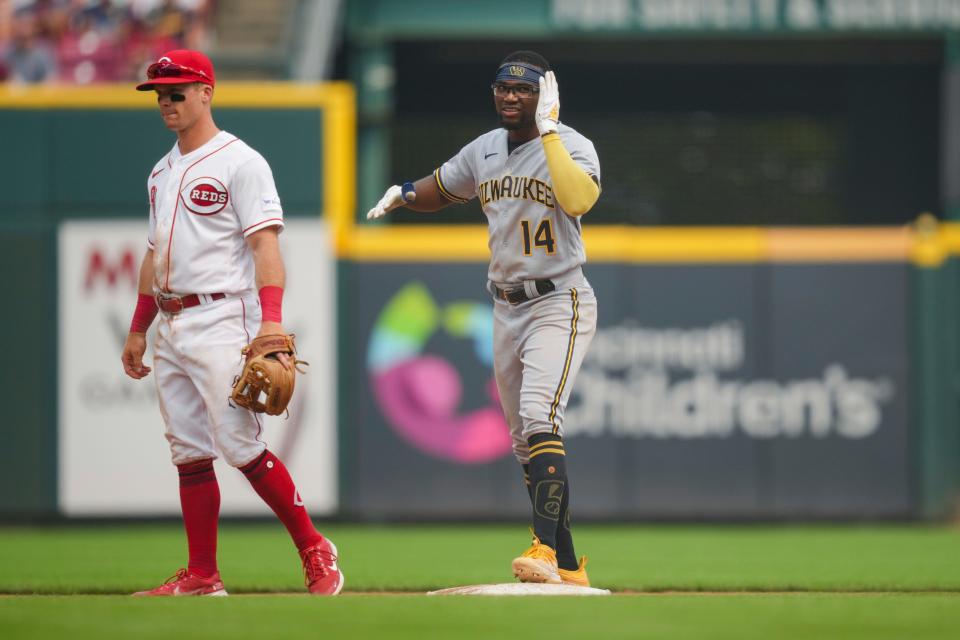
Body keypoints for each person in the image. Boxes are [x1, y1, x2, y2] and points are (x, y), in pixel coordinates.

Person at [367, 50, 600, 587]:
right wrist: (404, 193)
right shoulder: (485, 149)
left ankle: (543, 549)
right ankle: (568, 566)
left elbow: (580, 197)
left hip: (557, 298)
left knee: (542, 415)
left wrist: (550, 134)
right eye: (502, 87)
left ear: (545, 95)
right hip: (504, 304)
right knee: (523, 440)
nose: (510, 96)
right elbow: (443, 187)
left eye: (523, 88)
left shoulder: (574, 146)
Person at [120, 49, 343, 597]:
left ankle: (315, 548)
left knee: (240, 445)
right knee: (188, 451)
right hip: (170, 320)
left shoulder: (241, 162)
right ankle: (202, 574)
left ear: (206, 92)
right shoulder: (161, 170)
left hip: (222, 315)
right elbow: (153, 255)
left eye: (177, 91)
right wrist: (138, 327)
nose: (167, 101)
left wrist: (271, 324)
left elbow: (265, 246)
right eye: (159, 93)